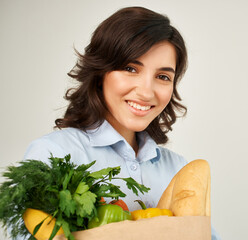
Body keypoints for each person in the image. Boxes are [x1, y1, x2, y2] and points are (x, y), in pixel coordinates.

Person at [23, 6, 220, 239]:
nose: (146, 92)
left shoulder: (177, 169)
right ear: (100, 72)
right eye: (130, 68)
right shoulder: (54, 153)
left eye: (163, 76)